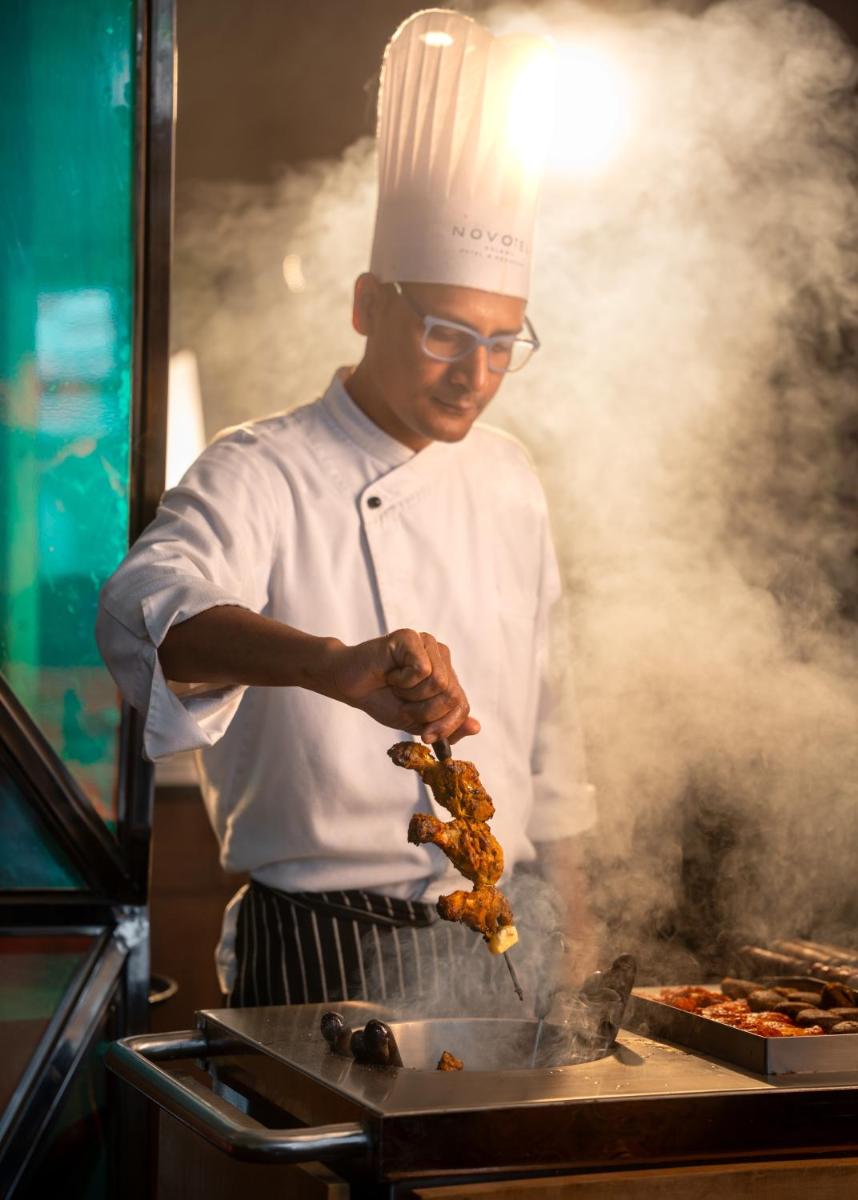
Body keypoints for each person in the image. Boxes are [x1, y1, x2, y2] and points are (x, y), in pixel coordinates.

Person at [96, 9, 597, 1008]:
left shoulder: (510, 477)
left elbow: (551, 733)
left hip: (511, 937)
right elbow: (143, 613)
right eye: (449, 333)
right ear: (369, 303)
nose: (477, 375)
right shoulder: (260, 468)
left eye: (504, 343)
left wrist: (576, 938)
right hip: (322, 946)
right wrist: (335, 665)